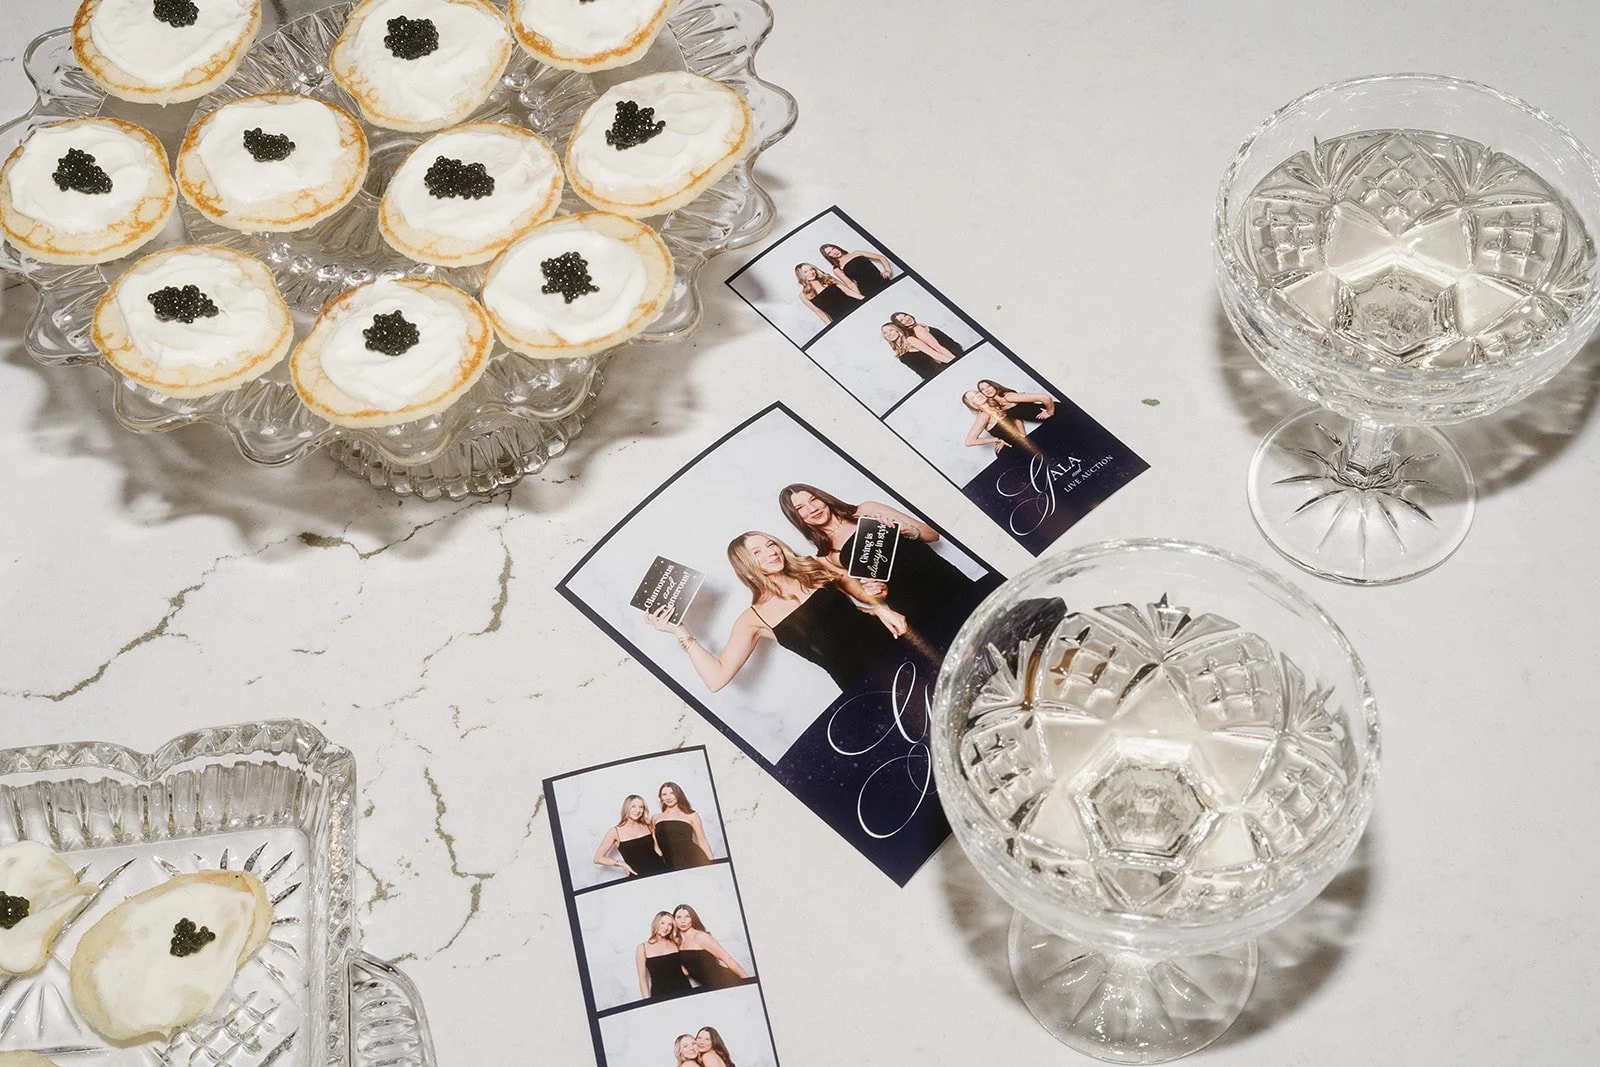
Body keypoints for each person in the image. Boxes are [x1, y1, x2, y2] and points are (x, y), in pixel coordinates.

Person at [647, 532, 907, 692]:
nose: (771, 552)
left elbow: (863, 592)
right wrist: (679, 631)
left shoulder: (812, 567)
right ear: (746, 565)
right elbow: (717, 678)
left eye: (771, 544)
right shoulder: (754, 618)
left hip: (898, 646)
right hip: (862, 685)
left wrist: (879, 606)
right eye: (757, 552)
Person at [779, 483, 973, 629]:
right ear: (797, 518)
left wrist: (908, 530)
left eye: (813, 499)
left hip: (947, 580)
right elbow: (867, 598)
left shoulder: (867, 510)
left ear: (823, 497)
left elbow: (932, 535)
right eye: (801, 508)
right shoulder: (826, 558)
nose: (812, 508)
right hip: (915, 609)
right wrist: (873, 590)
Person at [673, 904, 748, 988]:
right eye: (679, 917)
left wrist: (748, 981)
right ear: (674, 920)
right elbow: (686, 972)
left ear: (693, 919)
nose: (683, 921)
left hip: (726, 981)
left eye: (687, 916)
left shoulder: (700, 936)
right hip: (709, 988)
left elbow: (727, 958)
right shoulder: (677, 942)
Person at [593, 794, 665, 879]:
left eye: (641, 807)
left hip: (661, 871)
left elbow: (658, 850)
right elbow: (597, 858)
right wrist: (621, 864)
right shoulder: (615, 832)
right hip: (637, 877)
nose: (637, 810)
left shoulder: (648, 825)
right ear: (626, 808)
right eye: (633, 806)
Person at [653, 781, 714, 869]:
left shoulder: (692, 815)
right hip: (670, 864)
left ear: (678, 794)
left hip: (694, 860)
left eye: (672, 793)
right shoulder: (656, 818)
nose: (668, 797)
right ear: (661, 797)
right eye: (664, 794)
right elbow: (656, 846)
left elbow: (702, 841)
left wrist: (712, 864)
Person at [637, 912, 691, 1000]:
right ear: (656, 923)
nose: (666, 927)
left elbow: (685, 971)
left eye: (670, 924)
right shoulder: (642, 948)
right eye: (662, 923)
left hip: (684, 990)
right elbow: (642, 979)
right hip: (659, 995)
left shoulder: (676, 942)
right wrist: (647, 1002)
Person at [963, 390, 1034, 454]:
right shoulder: (983, 415)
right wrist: (997, 440)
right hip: (1009, 450)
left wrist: (1023, 435)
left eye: (976, 392)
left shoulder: (995, 404)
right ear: (973, 404)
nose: (977, 395)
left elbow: (1016, 416)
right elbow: (969, 442)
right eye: (973, 398)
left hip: (1021, 444)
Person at [881, 321, 954, 381]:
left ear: (897, 330)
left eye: (891, 330)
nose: (889, 334)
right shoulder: (899, 349)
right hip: (930, 378)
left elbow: (934, 354)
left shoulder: (910, 340)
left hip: (940, 372)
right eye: (885, 333)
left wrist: (954, 361)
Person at [820, 242, 894, 299]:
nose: (834, 252)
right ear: (829, 256)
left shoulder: (857, 253)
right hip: (868, 290)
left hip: (882, 280)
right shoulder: (837, 268)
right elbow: (851, 285)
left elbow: (881, 257)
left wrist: (887, 270)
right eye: (829, 253)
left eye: (833, 249)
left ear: (837, 247)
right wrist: (861, 298)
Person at [795, 262, 861, 324]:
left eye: (812, 269)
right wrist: (831, 326)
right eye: (806, 272)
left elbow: (848, 291)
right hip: (840, 319)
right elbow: (820, 313)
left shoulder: (827, 278)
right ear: (801, 275)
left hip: (855, 306)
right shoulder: (803, 295)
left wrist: (864, 299)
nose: (811, 272)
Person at [890, 311, 962, 362]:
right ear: (900, 325)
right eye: (902, 320)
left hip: (955, 352)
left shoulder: (920, 326)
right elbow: (937, 348)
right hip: (954, 354)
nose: (906, 319)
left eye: (905, 315)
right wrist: (956, 360)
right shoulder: (917, 329)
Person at [977, 378, 1055, 423]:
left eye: (988, 386)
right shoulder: (998, 406)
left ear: (994, 386)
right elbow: (1017, 417)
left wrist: (1049, 412)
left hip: (1055, 413)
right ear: (982, 393)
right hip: (1047, 421)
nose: (987, 390)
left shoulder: (1008, 396)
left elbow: (1045, 397)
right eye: (983, 389)